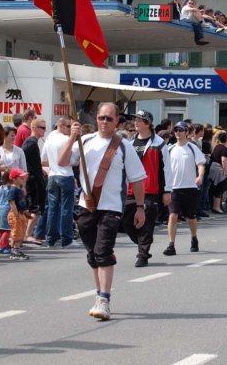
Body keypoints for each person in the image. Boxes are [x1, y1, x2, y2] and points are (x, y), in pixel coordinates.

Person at [58, 102, 147, 321]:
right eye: (101, 118)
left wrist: (140, 207)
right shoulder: (85, 141)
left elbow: (137, 179)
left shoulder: (124, 146)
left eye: (109, 118)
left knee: (103, 251)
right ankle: (99, 294)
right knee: (92, 254)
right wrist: (72, 137)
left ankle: (104, 299)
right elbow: (62, 161)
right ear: (96, 118)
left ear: (117, 121)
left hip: (111, 207)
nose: (104, 122)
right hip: (86, 205)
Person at [121, 110, 171, 267]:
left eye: (140, 120)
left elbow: (167, 169)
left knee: (146, 223)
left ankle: (142, 254)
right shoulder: (129, 143)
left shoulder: (159, 143)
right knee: (127, 222)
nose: (136, 122)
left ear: (148, 123)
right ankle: (144, 241)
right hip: (131, 190)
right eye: (135, 120)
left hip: (150, 190)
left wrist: (167, 191)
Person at [163, 121, 205, 256]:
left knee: (191, 217)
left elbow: (201, 164)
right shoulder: (169, 149)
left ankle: (194, 238)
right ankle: (171, 245)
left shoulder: (192, 148)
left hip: (190, 188)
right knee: (173, 216)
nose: (178, 132)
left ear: (186, 132)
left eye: (181, 130)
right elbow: (163, 168)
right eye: (176, 130)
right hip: (174, 188)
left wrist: (200, 176)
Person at [41, 117, 79, 248]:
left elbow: (43, 159)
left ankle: (51, 239)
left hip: (52, 175)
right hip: (65, 175)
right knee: (66, 209)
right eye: (68, 126)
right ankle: (66, 239)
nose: (70, 129)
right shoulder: (66, 140)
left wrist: (53, 163)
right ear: (61, 126)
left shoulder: (49, 139)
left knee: (53, 208)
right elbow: (72, 160)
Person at [21, 119, 47, 245]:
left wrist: (40, 169)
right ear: (34, 128)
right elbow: (22, 155)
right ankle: (26, 235)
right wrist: (28, 172)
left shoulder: (33, 142)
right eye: (42, 127)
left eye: (45, 128)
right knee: (35, 208)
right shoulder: (31, 143)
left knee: (35, 208)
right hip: (33, 180)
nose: (44, 130)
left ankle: (26, 234)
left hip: (35, 178)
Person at [4, 168, 31, 260]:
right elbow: (12, 203)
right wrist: (16, 215)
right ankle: (14, 252)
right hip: (15, 214)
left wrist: (25, 212)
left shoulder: (19, 189)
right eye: (21, 177)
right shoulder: (13, 189)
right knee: (17, 233)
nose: (23, 179)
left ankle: (16, 250)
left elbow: (22, 202)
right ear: (14, 179)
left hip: (21, 213)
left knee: (21, 232)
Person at [208, 131, 227, 214]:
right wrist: (225, 171)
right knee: (220, 188)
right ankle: (216, 207)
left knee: (216, 188)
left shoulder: (216, 146)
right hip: (219, 170)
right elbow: (224, 160)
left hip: (214, 169)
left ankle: (216, 206)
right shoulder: (224, 148)